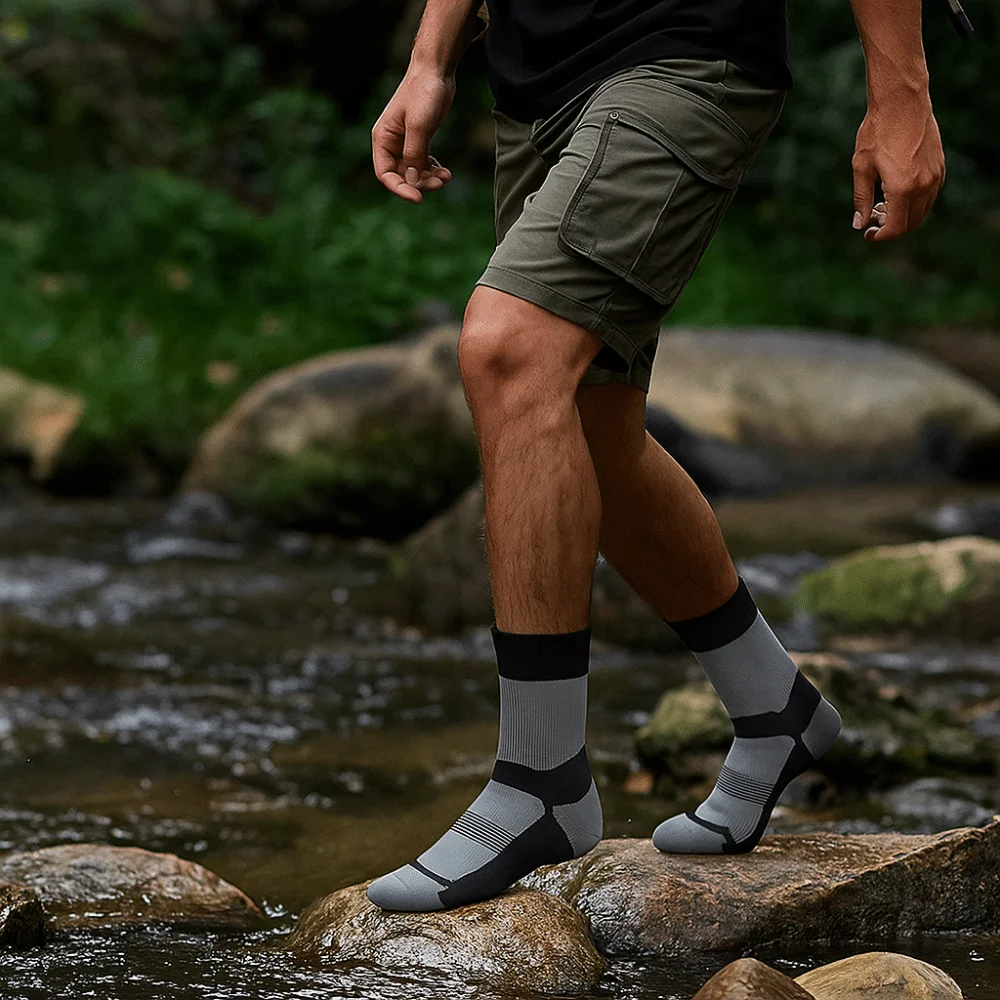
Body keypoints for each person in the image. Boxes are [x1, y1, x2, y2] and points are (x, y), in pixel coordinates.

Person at [365, 0, 946, 912]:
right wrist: (432, 53)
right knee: (591, 428)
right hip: (536, 81)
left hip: (684, 47)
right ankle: (775, 709)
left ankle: (541, 779)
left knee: (509, 349)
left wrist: (900, 91)